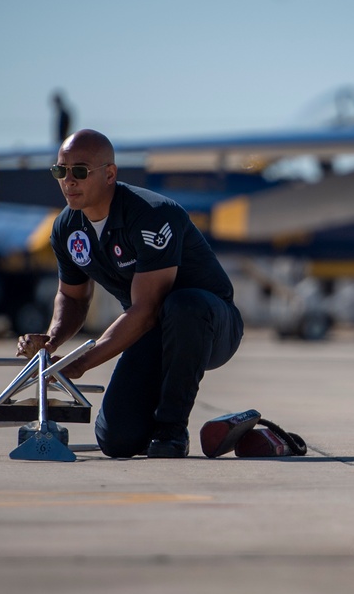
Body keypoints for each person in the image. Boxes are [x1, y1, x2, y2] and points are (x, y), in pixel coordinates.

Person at [16, 129, 243, 458]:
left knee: (182, 305)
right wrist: (51, 341)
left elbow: (147, 309)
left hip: (210, 324)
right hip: (151, 331)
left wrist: (82, 363)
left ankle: (172, 429)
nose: (68, 181)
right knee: (117, 442)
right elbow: (73, 298)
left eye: (79, 171)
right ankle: (208, 427)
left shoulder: (151, 215)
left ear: (110, 174)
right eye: (59, 171)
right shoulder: (66, 228)